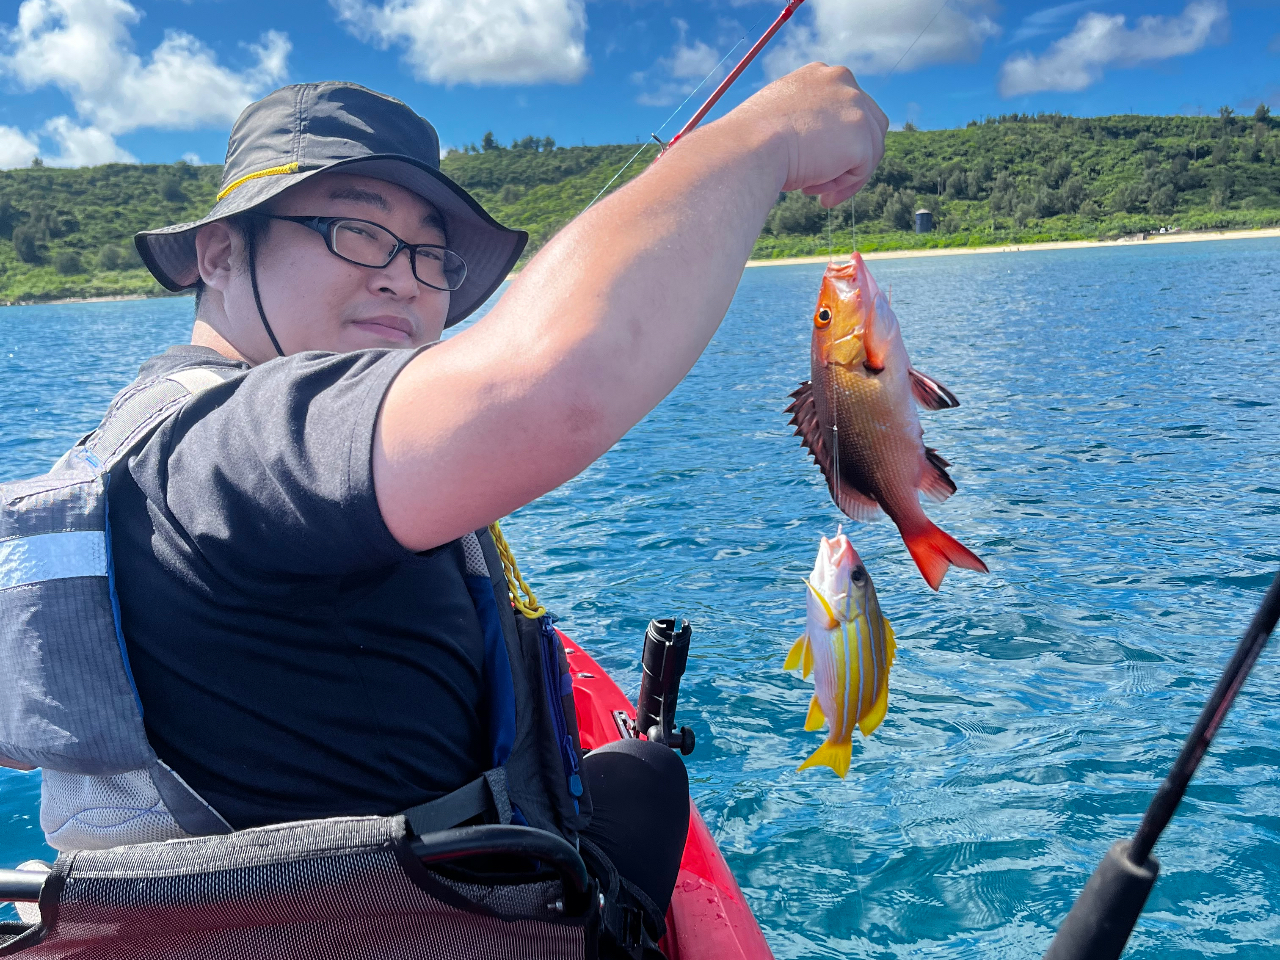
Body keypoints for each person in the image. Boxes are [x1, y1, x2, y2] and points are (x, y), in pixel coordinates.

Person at [69, 66, 886, 934]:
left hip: (332, 910)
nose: (406, 280)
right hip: (418, 931)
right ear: (221, 251)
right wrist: (772, 136)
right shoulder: (237, 443)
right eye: (355, 229)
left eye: (430, 252)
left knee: (644, 779)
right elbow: (551, 390)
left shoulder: (131, 446)